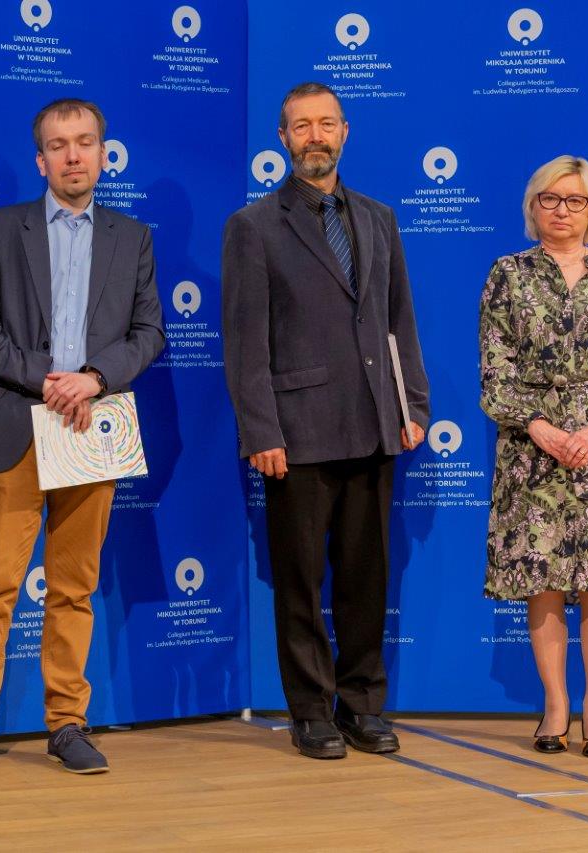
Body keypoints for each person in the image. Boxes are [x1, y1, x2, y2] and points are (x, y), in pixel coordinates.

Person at [0, 98, 164, 781]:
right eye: (59, 145)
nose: (73, 155)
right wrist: (48, 379)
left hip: (91, 429)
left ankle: (67, 723)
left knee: (74, 587)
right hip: (15, 424)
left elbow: (150, 332)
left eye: (85, 142)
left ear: (104, 154)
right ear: (40, 160)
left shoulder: (133, 237)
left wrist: (93, 379)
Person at [222, 82, 429, 760]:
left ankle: (362, 704)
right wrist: (261, 430)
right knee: (301, 583)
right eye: (302, 125)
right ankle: (311, 711)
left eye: (326, 124)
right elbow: (246, 343)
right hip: (297, 434)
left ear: (345, 132)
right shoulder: (254, 226)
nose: (315, 136)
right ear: (283, 138)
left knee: (367, 579)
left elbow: (399, 321)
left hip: (373, 424)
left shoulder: (378, 218)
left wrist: (411, 406)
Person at [480, 155, 588, 759]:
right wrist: (540, 427)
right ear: (533, 207)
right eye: (550, 199)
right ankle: (555, 704)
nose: (562, 210)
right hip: (531, 447)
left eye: (575, 200)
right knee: (542, 578)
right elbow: (495, 371)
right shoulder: (507, 274)